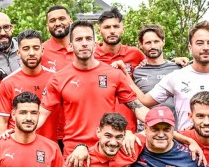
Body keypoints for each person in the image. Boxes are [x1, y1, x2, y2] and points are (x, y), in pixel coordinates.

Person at [39, 20, 146, 148]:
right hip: (74, 152)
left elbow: (138, 108)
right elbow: (41, 114)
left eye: (88, 39)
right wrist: (17, 132)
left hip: (106, 149)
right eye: (79, 39)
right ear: (71, 46)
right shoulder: (58, 78)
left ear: (95, 44)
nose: (84, 43)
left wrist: (163, 123)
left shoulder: (114, 75)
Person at [0, 29, 59, 143]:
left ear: (42, 50)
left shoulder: (56, 79)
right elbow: (2, 122)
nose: (32, 53)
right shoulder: (8, 82)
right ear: (18, 53)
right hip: (18, 146)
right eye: (26, 49)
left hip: (50, 146)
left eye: (36, 48)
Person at [131, 24, 180, 113]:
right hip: (147, 125)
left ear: (163, 42)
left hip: (175, 125)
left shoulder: (178, 68)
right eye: (148, 42)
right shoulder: (137, 72)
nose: (152, 46)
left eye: (156, 41)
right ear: (141, 44)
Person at [39, 5, 75, 73]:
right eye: (52, 21)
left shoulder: (83, 47)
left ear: (71, 22)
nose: (57, 23)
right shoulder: (41, 51)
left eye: (62, 18)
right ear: (47, 27)